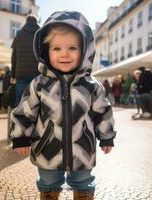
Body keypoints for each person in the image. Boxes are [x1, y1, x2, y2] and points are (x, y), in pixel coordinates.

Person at [10, 11, 116, 200]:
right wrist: (20, 137)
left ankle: (83, 195)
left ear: (85, 50)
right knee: (48, 181)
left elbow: (103, 112)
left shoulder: (91, 85)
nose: (64, 53)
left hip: (83, 149)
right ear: (45, 51)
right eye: (56, 48)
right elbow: (24, 112)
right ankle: (49, 194)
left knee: (84, 181)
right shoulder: (39, 84)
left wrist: (106, 136)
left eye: (73, 48)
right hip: (47, 149)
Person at [11, 14, 40, 106]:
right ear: (36, 22)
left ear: (26, 21)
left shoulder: (19, 34)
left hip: (21, 74)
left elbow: (14, 56)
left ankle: (18, 119)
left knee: (20, 99)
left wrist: (13, 75)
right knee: (36, 100)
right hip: (37, 73)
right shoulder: (40, 33)